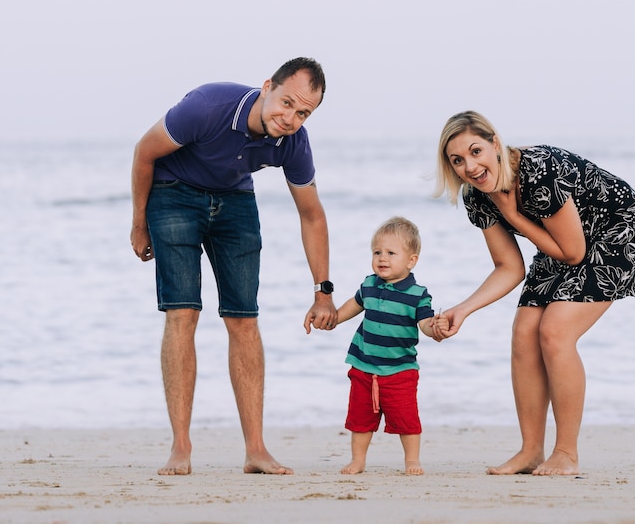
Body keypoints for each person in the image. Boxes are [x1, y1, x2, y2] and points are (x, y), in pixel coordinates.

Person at [130, 57, 337, 476]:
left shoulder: (294, 142)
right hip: (173, 194)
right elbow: (144, 152)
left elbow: (312, 215)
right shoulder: (207, 107)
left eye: (303, 113)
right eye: (286, 103)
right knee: (183, 313)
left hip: (235, 200)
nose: (291, 118)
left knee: (244, 320)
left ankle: (256, 451)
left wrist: (323, 289)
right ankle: (181, 448)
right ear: (267, 87)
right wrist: (139, 224)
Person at [430, 111, 635, 476]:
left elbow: (575, 253)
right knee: (523, 332)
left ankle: (566, 453)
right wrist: (464, 309)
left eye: (476, 151)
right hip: (560, 241)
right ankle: (531, 451)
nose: (470, 166)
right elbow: (509, 267)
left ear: (495, 144)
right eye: (458, 160)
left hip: (616, 228)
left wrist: (514, 216)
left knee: (555, 331)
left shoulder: (539, 170)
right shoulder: (478, 197)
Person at [315, 216, 446, 475]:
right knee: (360, 418)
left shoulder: (417, 294)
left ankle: (412, 461)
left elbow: (425, 323)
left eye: (390, 253)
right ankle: (358, 460)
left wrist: (436, 328)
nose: (382, 258)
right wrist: (331, 319)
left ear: (411, 261)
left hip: (400, 369)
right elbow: (351, 308)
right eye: (377, 252)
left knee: (406, 418)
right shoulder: (369, 285)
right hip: (364, 365)